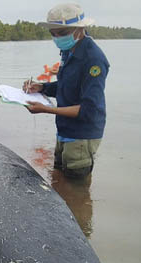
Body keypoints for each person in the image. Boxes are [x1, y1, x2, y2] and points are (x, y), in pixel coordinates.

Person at [23, 3, 109, 179]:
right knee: (60, 182)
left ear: (79, 29)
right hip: (64, 130)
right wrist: (42, 87)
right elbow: (66, 86)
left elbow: (88, 109)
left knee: (77, 191)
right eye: (52, 33)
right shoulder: (68, 51)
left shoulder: (93, 60)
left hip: (81, 136)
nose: (57, 38)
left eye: (61, 33)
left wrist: (46, 109)